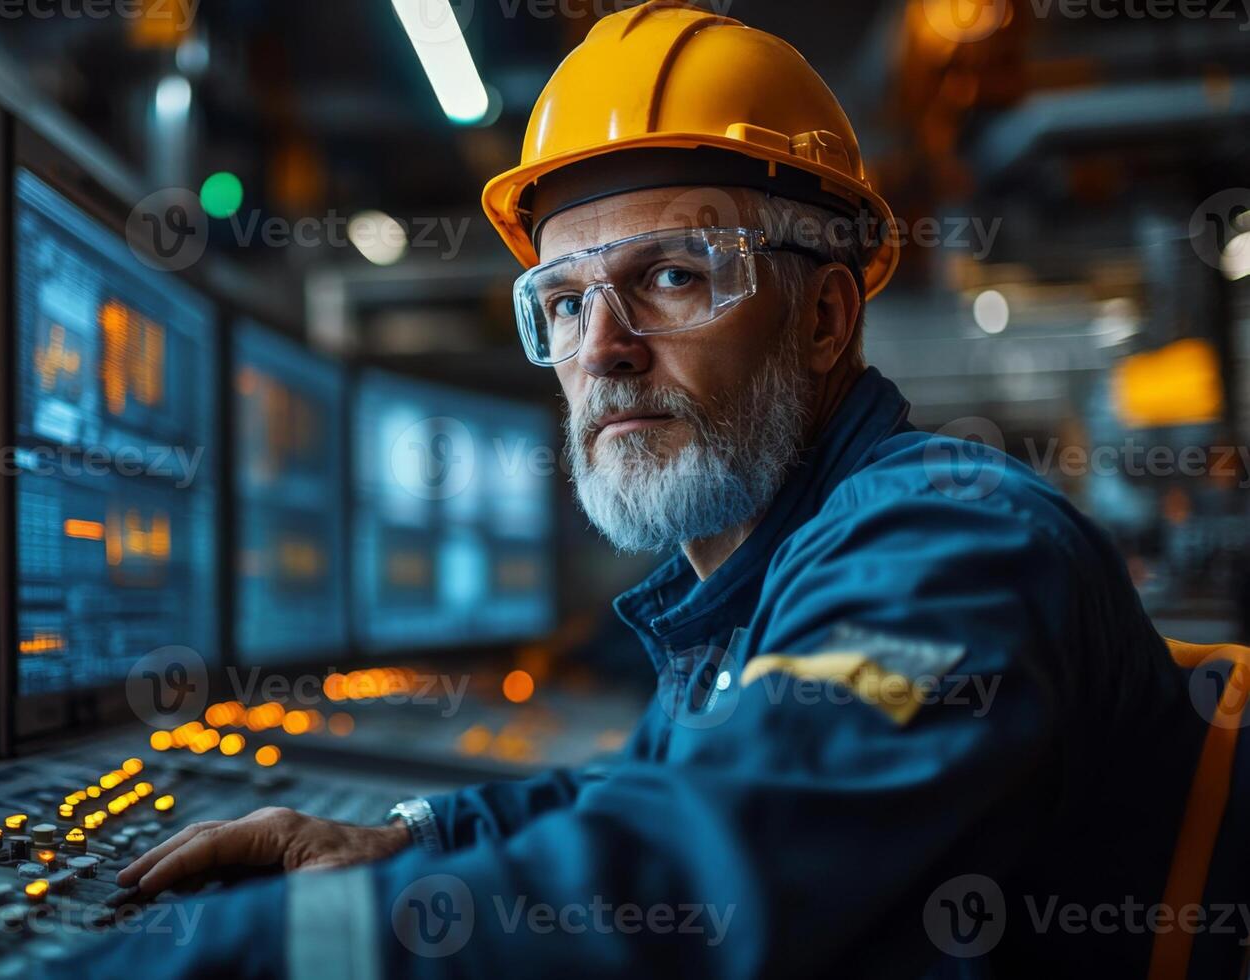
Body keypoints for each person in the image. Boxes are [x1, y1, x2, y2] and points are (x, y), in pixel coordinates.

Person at [86, 4, 1247, 975]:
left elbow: (697, 872)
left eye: (675, 276)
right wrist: (399, 837)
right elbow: (641, 789)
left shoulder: (950, 542)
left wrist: (198, 958)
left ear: (828, 313)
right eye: (566, 301)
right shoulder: (743, 585)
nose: (605, 348)